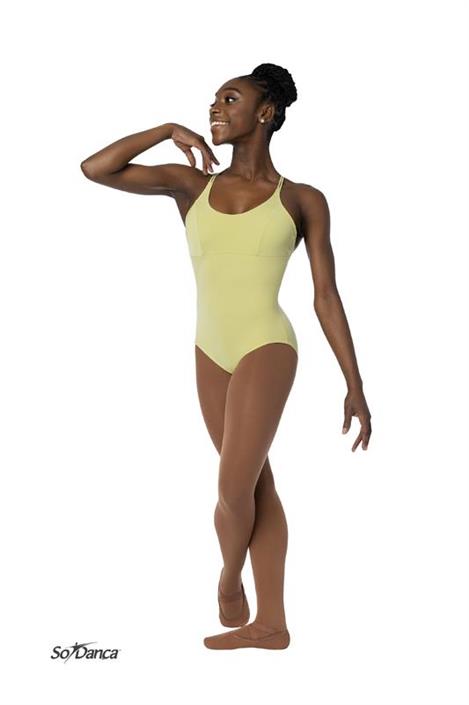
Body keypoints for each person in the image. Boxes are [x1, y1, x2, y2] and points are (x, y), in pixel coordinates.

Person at [81, 62, 372, 650]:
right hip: (208, 350)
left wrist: (355, 383)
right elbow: (96, 168)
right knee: (257, 488)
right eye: (213, 99)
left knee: (233, 488)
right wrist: (166, 129)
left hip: (268, 344)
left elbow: (325, 295)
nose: (216, 107)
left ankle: (229, 578)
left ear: (265, 112)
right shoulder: (191, 186)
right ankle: (273, 626)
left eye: (230, 99)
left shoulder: (302, 199)